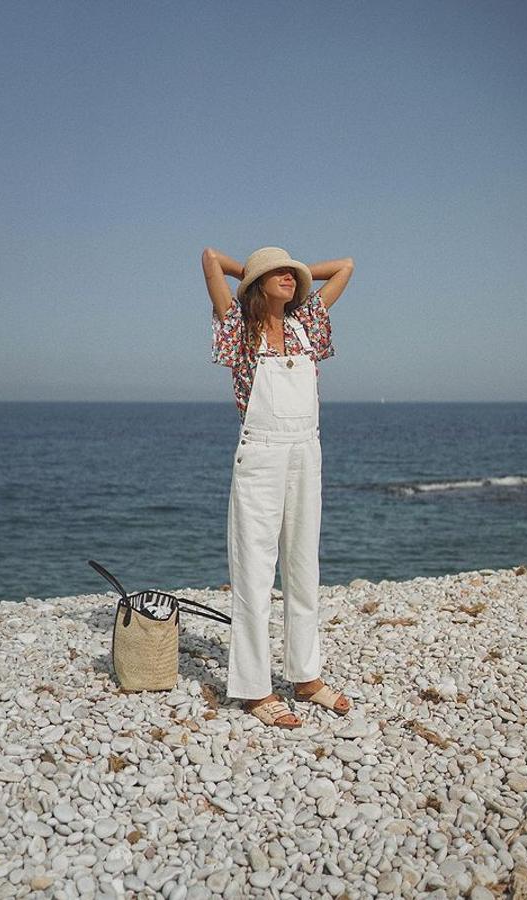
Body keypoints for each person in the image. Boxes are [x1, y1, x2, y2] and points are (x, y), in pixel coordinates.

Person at [202, 245, 354, 729]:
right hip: (262, 453)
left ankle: (306, 677)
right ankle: (255, 689)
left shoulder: (305, 322)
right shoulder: (238, 327)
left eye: (294, 274)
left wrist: (290, 268)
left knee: (303, 565)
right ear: (254, 285)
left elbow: (345, 267)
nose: (289, 278)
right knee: (253, 571)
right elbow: (209, 258)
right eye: (278, 274)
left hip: (306, 450)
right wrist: (254, 270)